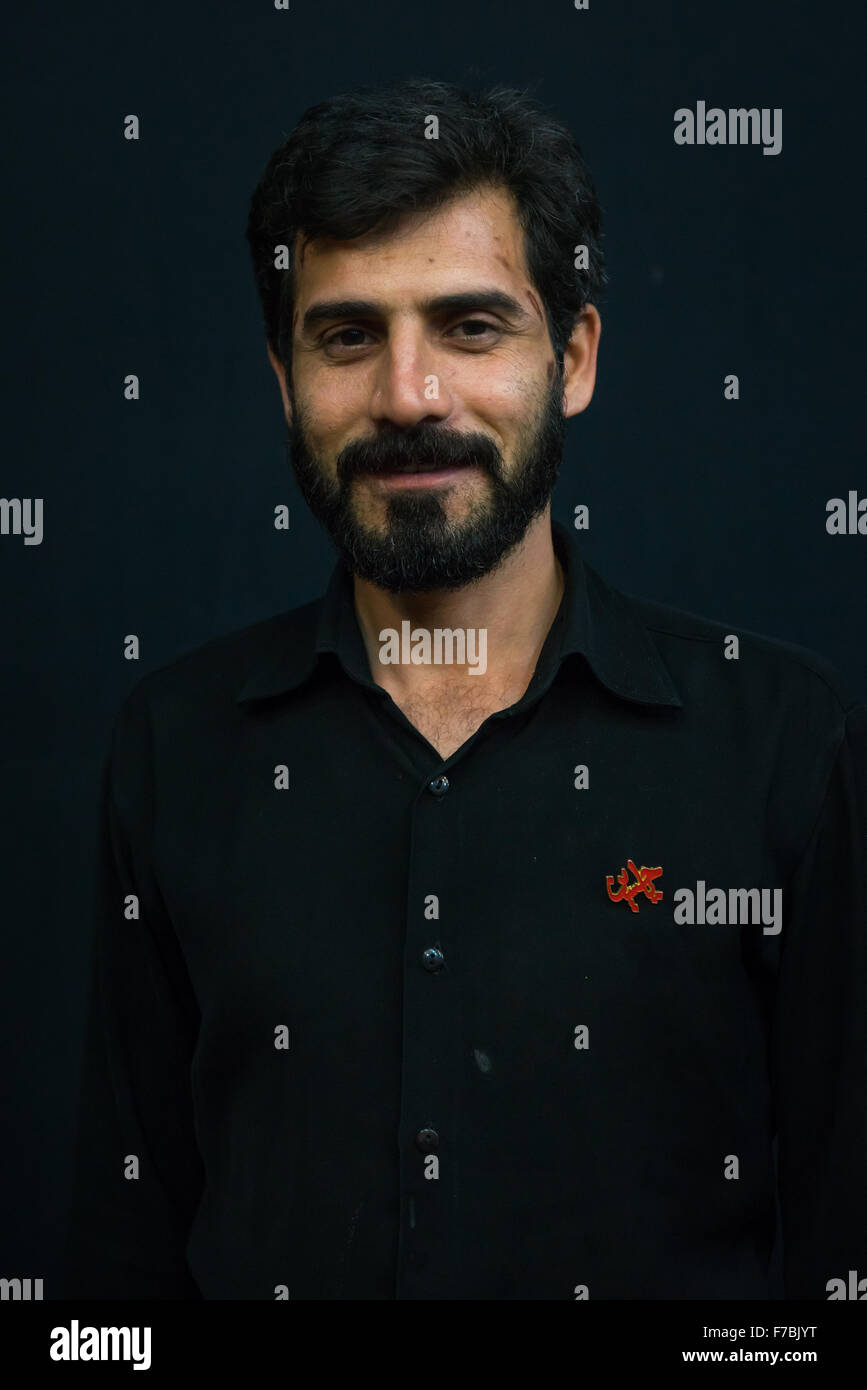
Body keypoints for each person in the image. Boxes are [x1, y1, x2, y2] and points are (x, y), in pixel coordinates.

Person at [62, 78, 867, 1300]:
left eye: (471, 327)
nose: (408, 396)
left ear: (576, 357)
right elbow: (118, 1266)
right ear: (285, 380)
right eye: (347, 336)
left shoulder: (786, 740)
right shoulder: (175, 744)